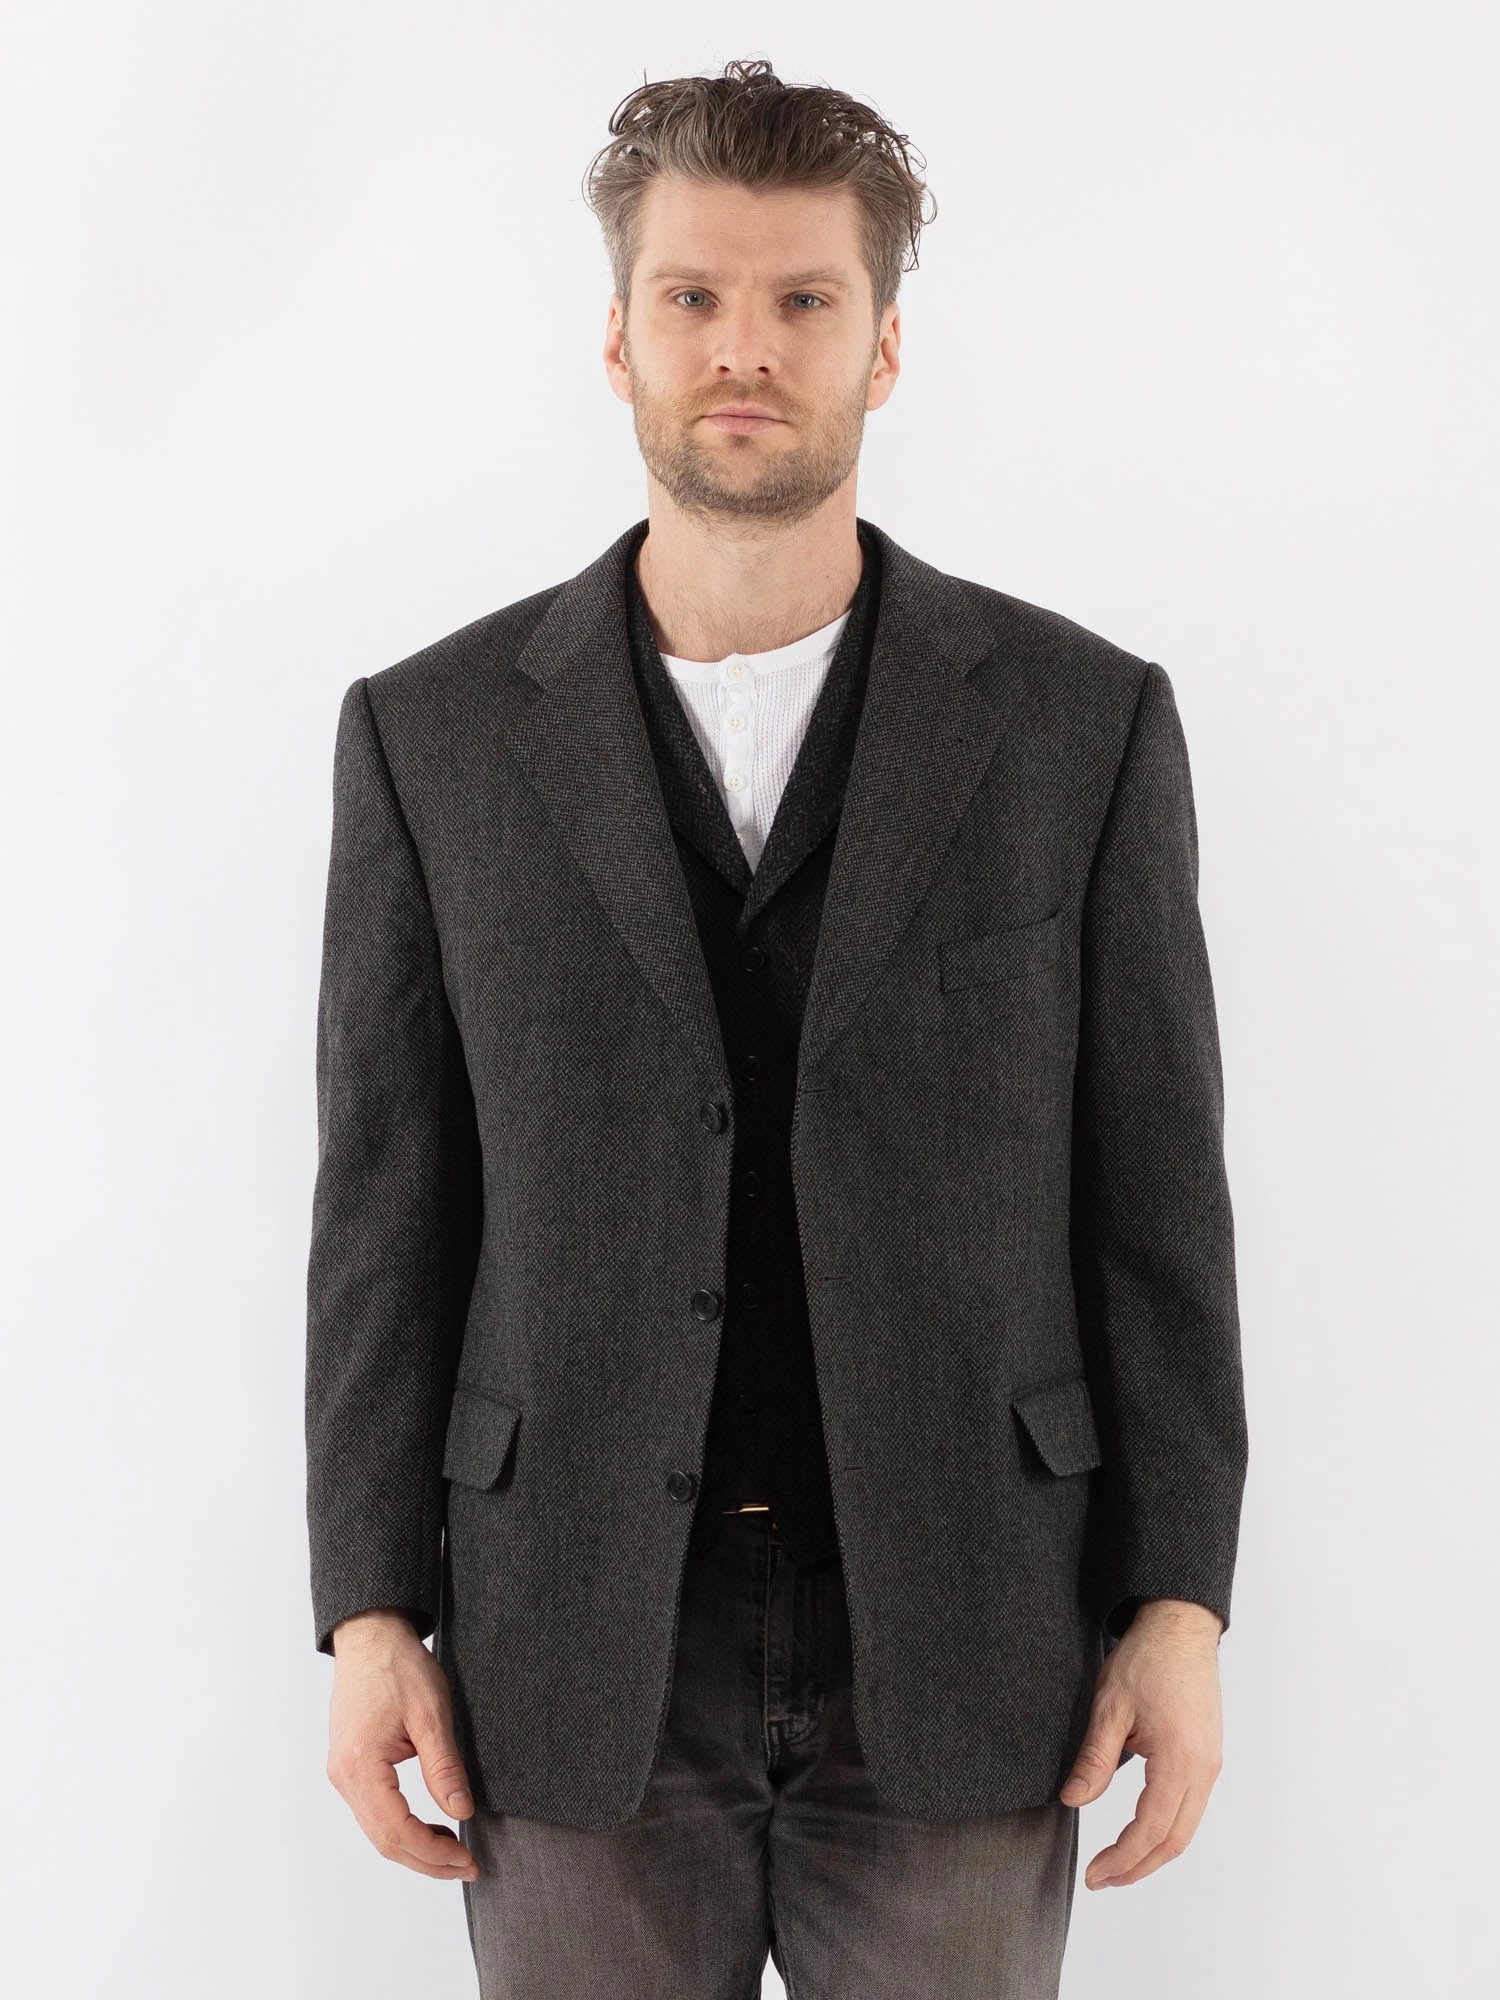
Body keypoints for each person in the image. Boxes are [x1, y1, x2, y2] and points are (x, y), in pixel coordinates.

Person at [306, 56, 1248, 2000]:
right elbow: (389, 1203)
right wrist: (369, 1606)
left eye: (804, 299)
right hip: (567, 1634)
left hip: (973, 1625)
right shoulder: (433, 735)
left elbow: (1155, 1194)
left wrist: (1181, 1597)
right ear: (619, 336)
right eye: (695, 297)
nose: (745, 348)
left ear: (883, 345)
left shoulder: (1081, 725)